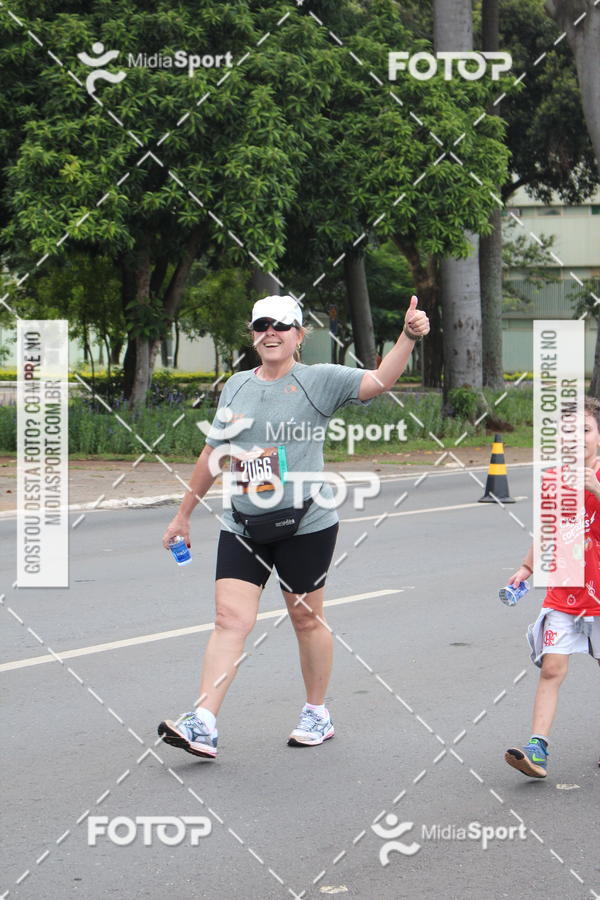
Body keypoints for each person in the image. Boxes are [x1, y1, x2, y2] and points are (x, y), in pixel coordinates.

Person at [158, 293, 429, 760]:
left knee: (305, 618)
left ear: (299, 335)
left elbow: (380, 380)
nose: (271, 332)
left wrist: (407, 336)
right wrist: (183, 513)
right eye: (262, 324)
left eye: (282, 326)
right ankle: (202, 722)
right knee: (229, 620)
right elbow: (212, 454)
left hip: (306, 522)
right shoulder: (238, 386)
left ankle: (316, 712)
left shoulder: (318, 381)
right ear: (252, 334)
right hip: (242, 523)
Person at [504, 397, 600, 778]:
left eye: (586, 430)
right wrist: (527, 567)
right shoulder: (553, 478)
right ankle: (537, 749)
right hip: (566, 590)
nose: (577, 439)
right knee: (551, 668)